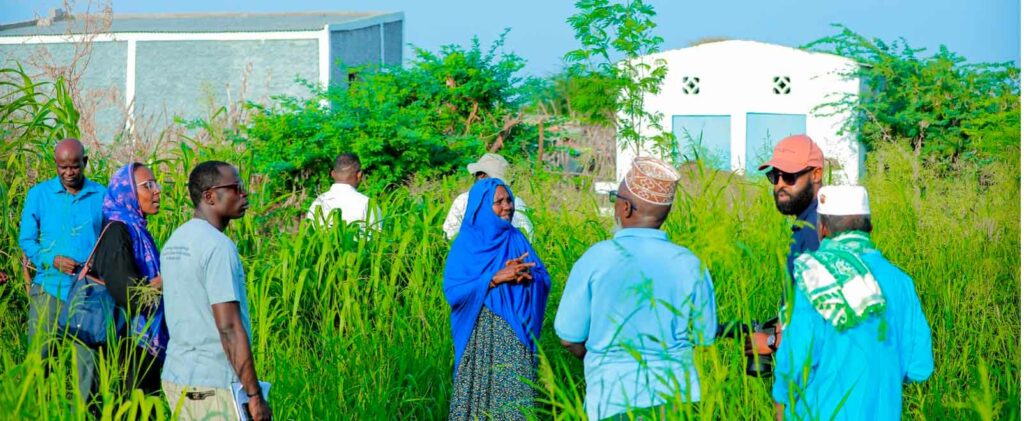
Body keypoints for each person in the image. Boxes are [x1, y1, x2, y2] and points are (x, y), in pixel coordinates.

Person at [554, 157, 718, 420]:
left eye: (614, 198)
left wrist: (602, 361)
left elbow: (569, 336)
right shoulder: (690, 263)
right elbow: (704, 336)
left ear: (626, 208)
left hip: (612, 401)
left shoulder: (596, 259)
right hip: (680, 401)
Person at [772, 185, 934, 420]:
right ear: (870, 228)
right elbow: (919, 367)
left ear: (822, 228)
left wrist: (780, 403)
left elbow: (795, 362)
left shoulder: (815, 278)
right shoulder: (901, 283)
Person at [160, 161, 271, 421]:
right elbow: (228, 327)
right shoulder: (218, 247)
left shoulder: (175, 241)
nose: (243, 194)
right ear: (209, 196)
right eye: (235, 187)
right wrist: (254, 395)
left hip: (177, 377)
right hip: (212, 383)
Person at [444, 178, 551, 420]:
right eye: (499, 202)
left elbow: (544, 279)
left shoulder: (516, 238)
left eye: (509, 199)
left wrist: (525, 274)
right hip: (479, 340)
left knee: (514, 403)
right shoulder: (465, 245)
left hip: (514, 340)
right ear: (481, 208)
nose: (508, 206)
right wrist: (494, 279)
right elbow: (454, 293)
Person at [18, 138, 106, 402]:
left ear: (85, 163)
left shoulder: (100, 195)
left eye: (75, 167)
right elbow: (27, 240)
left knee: (87, 370)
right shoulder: (39, 195)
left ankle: (84, 415)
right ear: (55, 165)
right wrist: (52, 259)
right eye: (62, 167)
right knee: (39, 364)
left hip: (88, 295)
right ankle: (34, 413)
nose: (69, 173)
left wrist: (97, 264)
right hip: (49, 291)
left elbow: (111, 237)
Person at [91, 162, 169, 395]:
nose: (157, 191)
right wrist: (169, 278)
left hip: (140, 342)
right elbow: (129, 294)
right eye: (148, 185)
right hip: (130, 342)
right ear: (128, 192)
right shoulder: (117, 231)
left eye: (156, 184)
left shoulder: (136, 229)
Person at [748, 134, 827, 356]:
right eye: (775, 176)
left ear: (816, 174)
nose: (780, 185)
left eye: (790, 177)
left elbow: (823, 312)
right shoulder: (807, 224)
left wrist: (773, 342)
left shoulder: (816, 230)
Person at [442, 153, 533, 239]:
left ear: (481, 176)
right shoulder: (515, 201)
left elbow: (450, 235)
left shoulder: (463, 200)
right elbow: (528, 236)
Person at [306, 153, 380, 229]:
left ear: (333, 174)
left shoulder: (318, 203)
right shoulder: (368, 204)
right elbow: (377, 237)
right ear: (359, 175)